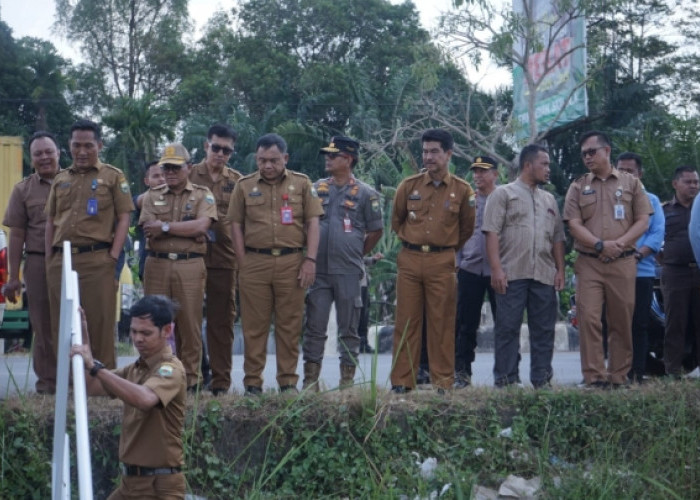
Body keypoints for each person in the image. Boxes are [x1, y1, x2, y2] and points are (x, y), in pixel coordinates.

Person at [229, 133, 323, 394]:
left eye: (273, 160)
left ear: (285, 158)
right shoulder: (244, 185)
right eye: (262, 160)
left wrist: (310, 260)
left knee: (289, 325)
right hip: (254, 262)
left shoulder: (302, 184)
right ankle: (252, 383)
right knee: (253, 326)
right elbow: (235, 224)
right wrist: (242, 261)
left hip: (291, 263)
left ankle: (288, 382)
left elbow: (313, 223)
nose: (267, 166)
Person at [71, 295, 186, 500]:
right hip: (130, 485)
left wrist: (97, 368)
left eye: (146, 333)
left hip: (159, 488)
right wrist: (85, 344)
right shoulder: (135, 369)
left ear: (167, 331)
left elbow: (145, 399)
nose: (138, 339)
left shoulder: (171, 369)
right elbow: (91, 386)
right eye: (133, 331)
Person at [390, 129, 475, 393]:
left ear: (448, 154)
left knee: (442, 322)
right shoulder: (409, 186)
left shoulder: (462, 190)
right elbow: (396, 221)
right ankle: (403, 381)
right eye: (425, 151)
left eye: (434, 151)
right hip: (411, 258)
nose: (428, 157)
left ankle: (442, 382)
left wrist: (444, 249)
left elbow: (466, 229)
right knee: (407, 321)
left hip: (442, 261)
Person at [563, 130, 651, 388]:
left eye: (592, 152)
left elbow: (643, 220)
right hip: (589, 262)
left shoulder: (632, 183)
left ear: (607, 151)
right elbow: (573, 224)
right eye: (583, 154)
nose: (587, 157)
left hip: (622, 262)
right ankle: (594, 377)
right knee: (589, 319)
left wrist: (620, 244)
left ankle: (618, 377)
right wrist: (600, 244)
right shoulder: (578, 185)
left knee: (621, 320)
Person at [46, 119, 134, 369]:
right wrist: (48, 259)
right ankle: (67, 384)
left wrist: (113, 257)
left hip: (98, 260)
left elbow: (124, 217)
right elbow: (50, 221)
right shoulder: (60, 178)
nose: (82, 151)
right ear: (69, 146)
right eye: (76, 145)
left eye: (88, 145)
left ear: (99, 145)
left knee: (99, 322)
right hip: (61, 260)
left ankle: (102, 383)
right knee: (61, 323)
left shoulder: (113, 177)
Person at [301, 136, 383, 391]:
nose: (328, 158)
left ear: (348, 159)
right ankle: (310, 382)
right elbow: (306, 224)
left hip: (348, 272)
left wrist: (357, 254)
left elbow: (376, 230)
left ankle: (346, 384)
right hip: (320, 272)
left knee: (349, 330)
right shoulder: (315, 189)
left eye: (333, 155)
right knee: (314, 327)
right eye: (327, 154)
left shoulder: (367, 194)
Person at [482, 145, 565, 388]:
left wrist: (560, 270)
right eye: (545, 164)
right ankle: (506, 381)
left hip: (544, 274)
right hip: (511, 274)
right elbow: (491, 232)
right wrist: (496, 269)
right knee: (507, 328)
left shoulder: (549, 199)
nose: (548, 169)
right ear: (528, 165)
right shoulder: (503, 194)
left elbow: (558, 238)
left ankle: (542, 380)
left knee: (544, 330)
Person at [139, 143, 217, 391]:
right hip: (157, 264)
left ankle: (192, 379)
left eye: (175, 167)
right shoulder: (152, 195)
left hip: (189, 265)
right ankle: (156, 376)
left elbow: (201, 227)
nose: (170, 172)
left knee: (189, 324)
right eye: (166, 167)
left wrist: (165, 227)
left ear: (189, 168)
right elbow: (148, 230)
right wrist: (185, 229)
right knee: (153, 323)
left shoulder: (203, 195)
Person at [2, 131, 61, 394]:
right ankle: (48, 384)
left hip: (76, 261)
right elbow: (16, 235)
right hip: (38, 263)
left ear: (59, 153)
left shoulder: (76, 182)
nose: (44, 157)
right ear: (31, 158)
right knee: (43, 323)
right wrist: (14, 277)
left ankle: (81, 381)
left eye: (49, 151)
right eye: (38, 153)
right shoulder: (23, 189)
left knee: (77, 323)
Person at [188, 124, 242, 396]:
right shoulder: (187, 175)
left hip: (224, 260)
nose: (220, 154)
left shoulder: (238, 182)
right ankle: (194, 378)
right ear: (206, 145)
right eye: (216, 147)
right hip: (190, 258)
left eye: (227, 150)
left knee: (222, 323)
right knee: (189, 319)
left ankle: (221, 383)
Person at [615, 152, 665, 383]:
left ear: (639, 173)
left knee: (640, 323)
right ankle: (617, 371)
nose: (624, 174)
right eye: (620, 170)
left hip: (641, 272)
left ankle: (637, 371)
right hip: (613, 271)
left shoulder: (652, 200)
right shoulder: (610, 198)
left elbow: (656, 235)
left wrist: (635, 255)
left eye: (629, 170)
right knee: (616, 323)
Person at [454, 156, 499, 388]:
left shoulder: (505, 198)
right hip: (469, 268)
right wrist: (458, 261)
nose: (478, 175)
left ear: (495, 174)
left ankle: (505, 374)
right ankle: (461, 374)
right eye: (475, 171)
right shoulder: (467, 200)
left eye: (483, 171)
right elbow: (458, 232)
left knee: (504, 324)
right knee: (464, 324)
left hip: (498, 270)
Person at [661, 165, 700, 378]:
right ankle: (672, 372)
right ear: (675, 184)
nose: (693, 186)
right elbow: (656, 240)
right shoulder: (664, 210)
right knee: (675, 323)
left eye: (696, 182)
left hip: (699, 270)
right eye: (688, 182)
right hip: (676, 273)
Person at [134, 161, 165, 282]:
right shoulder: (142, 198)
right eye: (156, 176)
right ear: (147, 181)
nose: (162, 179)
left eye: (164, 175)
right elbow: (138, 201)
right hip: (149, 261)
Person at [358, 252, 384, 354]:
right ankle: (353, 343)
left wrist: (373, 259)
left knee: (364, 314)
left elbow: (361, 259)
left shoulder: (357, 241)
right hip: (352, 282)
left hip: (363, 282)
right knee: (355, 315)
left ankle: (363, 343)